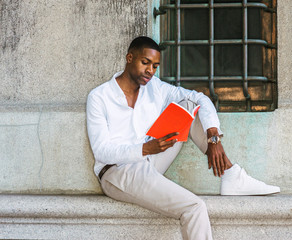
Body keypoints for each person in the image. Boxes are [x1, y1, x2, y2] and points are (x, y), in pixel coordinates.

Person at [86, 36, 280, 240]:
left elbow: (200, 98)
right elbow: (101, 151)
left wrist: (214, 135)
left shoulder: (155, 87)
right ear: (129, 58)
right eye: (145, 63)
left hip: (151, 160)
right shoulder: (99, 97)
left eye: (155, 66)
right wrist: (145, 149)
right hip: (118, 172)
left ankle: (230, 174)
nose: (150, 71)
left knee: (188, 105)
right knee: (194, 207)